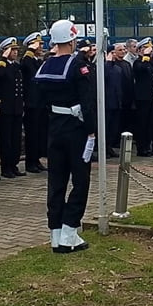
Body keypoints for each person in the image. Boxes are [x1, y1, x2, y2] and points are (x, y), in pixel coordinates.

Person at [31, 19, 96, 254]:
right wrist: (91, 129)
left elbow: (37, 99)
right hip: (76, 129)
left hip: (55, 128)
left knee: (56, 182)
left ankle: (55, 233)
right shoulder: (78, 64)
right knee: (81, 180)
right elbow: (87, 101)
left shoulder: (45, 65)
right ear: (72, 40)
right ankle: (70, 230)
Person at [0, 37, 27, 178]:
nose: (15, 53)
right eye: (12, 50)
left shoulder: (15, 66)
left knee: (15, 139)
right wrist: (3, 58)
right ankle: (5, 167)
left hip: (17, 108)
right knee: (6, 140)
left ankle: (13, 165)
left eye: (16, 50)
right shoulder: (1, 66)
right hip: (6, 109)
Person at [21, 32, 48, 174]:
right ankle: (30, 162)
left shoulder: (37, 61)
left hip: (40, 103)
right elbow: (28, 69)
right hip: (31, 103)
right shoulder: (28, 60)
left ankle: (36, 159)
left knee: (39, 134)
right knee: (31, 134)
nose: (41, 46)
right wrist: (30, 51)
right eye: (39, 44)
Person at [131, 37, 153, 157]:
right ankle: (141, 148)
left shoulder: (149, 62)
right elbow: (141, 69)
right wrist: (145, 57)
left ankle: (148, 146)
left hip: (151, 97)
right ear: (140, 50)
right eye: (146, 48)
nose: (149, 50)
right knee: (142, 124)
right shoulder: (138, 62)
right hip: (142, 98)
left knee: (150, 123)